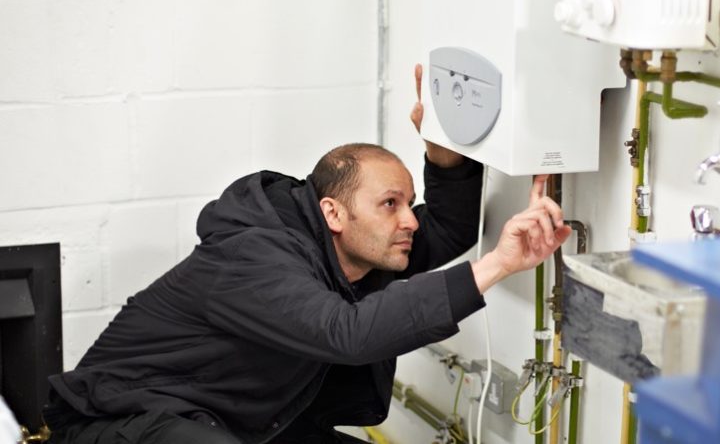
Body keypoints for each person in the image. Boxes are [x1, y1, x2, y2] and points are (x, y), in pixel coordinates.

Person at [43, 66, 571, 444]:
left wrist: (443, 152)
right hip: (125, 421)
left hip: (238, 421)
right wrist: (497, 265)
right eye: (390, 204)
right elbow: (348, 333)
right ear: (334, 213)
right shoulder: (254, 255)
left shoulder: (357, 248)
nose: (409, 219)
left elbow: (449, 227)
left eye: (409, 203)